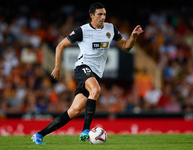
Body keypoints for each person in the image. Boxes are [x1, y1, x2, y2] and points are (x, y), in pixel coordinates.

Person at [31, 2, 143, 145]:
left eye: (104, 14)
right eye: (100, 14)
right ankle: (85, 130)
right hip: (82, 67)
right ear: (92, 16)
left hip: (95, 74)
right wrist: (57, 67)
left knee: (74, 110)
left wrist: (133, 36)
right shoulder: (82, 31)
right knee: (95, 90)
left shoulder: (111, 29)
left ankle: (39, 135)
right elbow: (60, 45)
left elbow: (126, 47)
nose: (103, 17)